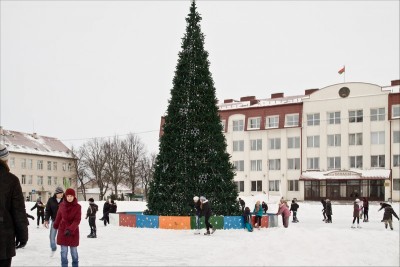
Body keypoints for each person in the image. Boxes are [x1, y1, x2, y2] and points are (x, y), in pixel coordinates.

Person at [0, 144, 28, 267]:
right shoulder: (12, 180)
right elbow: (18, 211)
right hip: (3, 240)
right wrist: (23, 236)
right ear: (5, 159)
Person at [53, 188, 81, 267]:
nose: (69, 197)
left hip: (73, 232)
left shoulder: (78, 207)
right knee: (63, 253)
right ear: (65, 196)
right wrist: (55, 225)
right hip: (63, 231)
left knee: (74, 253)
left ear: (74, 196)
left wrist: (70, 229)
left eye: (71, 196)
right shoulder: (62, 205)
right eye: (68, 196)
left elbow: (77, 220)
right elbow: (59, 216)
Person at [44, 186, 64, 255]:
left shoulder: (65, 200)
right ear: (56, 193)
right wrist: (46, 220)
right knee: (52, 236)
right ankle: (53, 248)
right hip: (54, 221)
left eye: (62, 193)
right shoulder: (51, 200)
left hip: (63, 222)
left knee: (63, 237)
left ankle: (64, 251)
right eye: (60, 193)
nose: (62, 194)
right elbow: (47, 210)